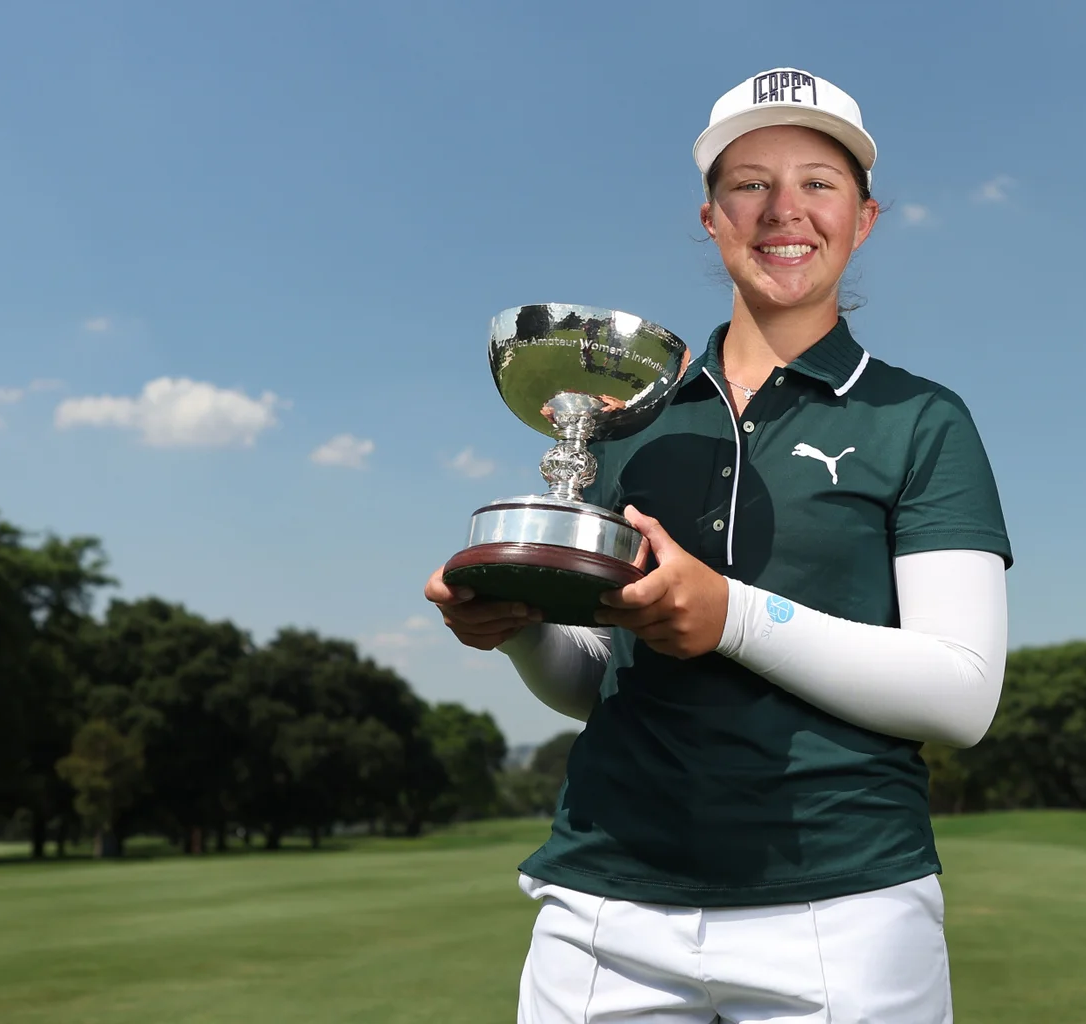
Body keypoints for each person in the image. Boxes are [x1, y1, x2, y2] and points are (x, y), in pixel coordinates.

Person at [424, 67, 1012, 1023]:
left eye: (819, 183)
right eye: (751, 182)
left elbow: (961, 693)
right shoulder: (630, 416)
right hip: (604, 902)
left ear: (865, 218)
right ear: (711, 217)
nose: (785, 209)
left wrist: (733, 616)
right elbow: (595, 680)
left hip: (843, 908)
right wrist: (522, 626)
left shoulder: (922, 420)